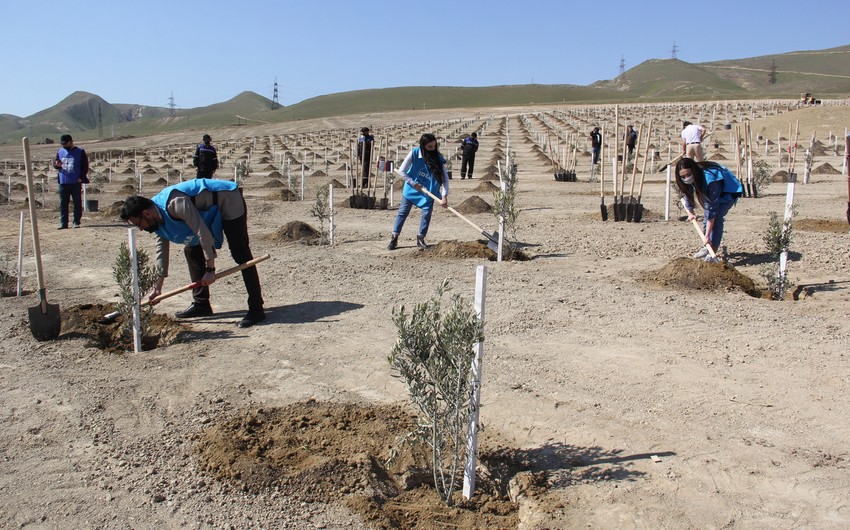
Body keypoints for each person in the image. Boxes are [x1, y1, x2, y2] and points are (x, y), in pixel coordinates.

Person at [119, 179, 265, 328]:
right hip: (205, 210)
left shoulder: (175, 203)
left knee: (240, 254)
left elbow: (202, 231)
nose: (141, 229)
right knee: (191, 249)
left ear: (147, 214)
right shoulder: (155, 220)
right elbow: (161, 252)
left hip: (227, 199)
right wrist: (157, 288)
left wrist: (210, 269)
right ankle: (201, 305)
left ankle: (256, 308)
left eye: (138, 224)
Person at [387, 133, 449, 251]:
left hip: (429, 192)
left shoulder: (439, 158)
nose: (432, 149)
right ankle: (394, 237)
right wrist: (413, 183)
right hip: (411, 189)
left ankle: (421, 237)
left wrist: (444, 196)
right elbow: (402, 171)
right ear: (423, 146)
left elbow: (445, 179)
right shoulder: (415, 153)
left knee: (426, 215)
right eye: (429, 147)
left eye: (434, 146)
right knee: (402, 213)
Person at [674, 158, 743, 262]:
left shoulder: (711, 180)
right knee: (708, 219)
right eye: (683, 176)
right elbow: (687, 192)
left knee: (717, 218)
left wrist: (706, 236)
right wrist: (691, 212)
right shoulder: (692, 179)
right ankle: (708, 247)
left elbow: (712, 211)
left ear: (694, 170)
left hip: (729, 192)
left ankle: (712, 250)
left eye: (688, 174)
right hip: (713, 193)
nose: (686, 178)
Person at [53, 134, 89, 229]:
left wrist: (81, 177)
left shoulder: (80, 152)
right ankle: (63, 223)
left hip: (75, 182)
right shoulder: (60, 151)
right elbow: (56, 164)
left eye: (65, 143)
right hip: (63, 182)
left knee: (77, 203)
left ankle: (76, 222)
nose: (63, 145)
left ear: (70, 141)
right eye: (62, 144)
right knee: (63, 203)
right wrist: (57, 165)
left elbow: (85, 166)